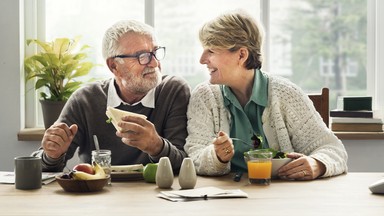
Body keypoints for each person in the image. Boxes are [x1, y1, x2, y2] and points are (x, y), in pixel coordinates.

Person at [184, 9, 348, 180]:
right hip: (225, 199)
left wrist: (318, 164)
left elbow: (333, 149)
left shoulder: (286, 94)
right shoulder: (204, 96)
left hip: (283, 197)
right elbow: (194, 156)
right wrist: (216, 156)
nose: (202, 60)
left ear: (241, 54)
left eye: (210, 51)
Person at [32, 20, 191, 172]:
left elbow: (184, 165)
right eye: (142, 56)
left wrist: (156, 146)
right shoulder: (85, 99)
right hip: (97, 193)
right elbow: (42, 168)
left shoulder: (173, 91)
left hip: (155, 194)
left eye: (155, 52)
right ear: (113, 66)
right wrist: (51, 155)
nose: (154, 63)